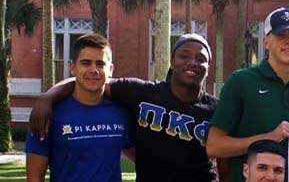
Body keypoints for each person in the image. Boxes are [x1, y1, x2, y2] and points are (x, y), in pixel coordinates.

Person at [30, 33, 222, 181]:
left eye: (201, 58)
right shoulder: (141, 93)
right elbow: (90, 80)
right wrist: (46, 98)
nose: (192, 63)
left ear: (208, 66)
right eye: (184, 56)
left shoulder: (218, 109)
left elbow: (225, 158)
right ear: (172, 61)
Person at [207, 7, 289, 182]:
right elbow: (214, 146)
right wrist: (269, 137)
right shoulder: (240, 82)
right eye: (281, 36)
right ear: (266, 41)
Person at [26, 34, 133, 182]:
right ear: (72, 67)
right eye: (86, 63)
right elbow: (34, 178)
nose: (94, 70)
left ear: (111, 69)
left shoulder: (121, 111)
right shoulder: (48, 114)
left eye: (100, 64)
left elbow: (143, 157)